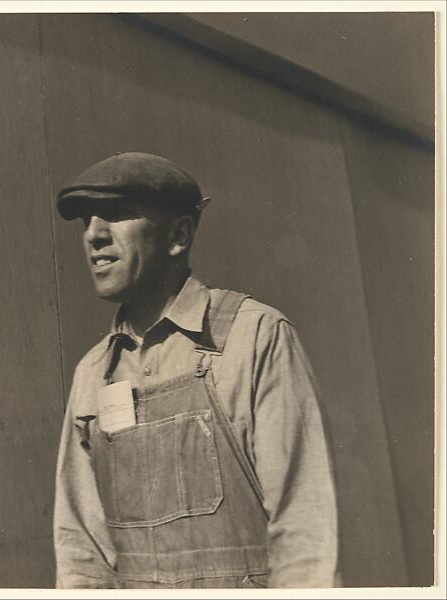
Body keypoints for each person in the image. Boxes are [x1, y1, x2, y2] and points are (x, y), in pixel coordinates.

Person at [53, 152, 338, 589]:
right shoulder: (94, 374)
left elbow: (307, 536)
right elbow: (81, 557)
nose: (93, 234)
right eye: (85, 220)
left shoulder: (254, 337)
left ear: (178, 234)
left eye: (115, 213)